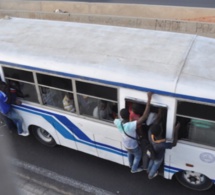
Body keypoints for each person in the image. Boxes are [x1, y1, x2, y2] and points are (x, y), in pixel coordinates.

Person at [114, 92, 153, 173]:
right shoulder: (130, 125)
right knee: (138, 155)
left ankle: (130, 164)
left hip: (125, 144)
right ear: (129, 114)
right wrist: (149, 99)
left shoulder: (117, 122)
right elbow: (144, 116)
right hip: (133, 145)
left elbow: (115, 118)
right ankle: (134, 169)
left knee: (129, 153)